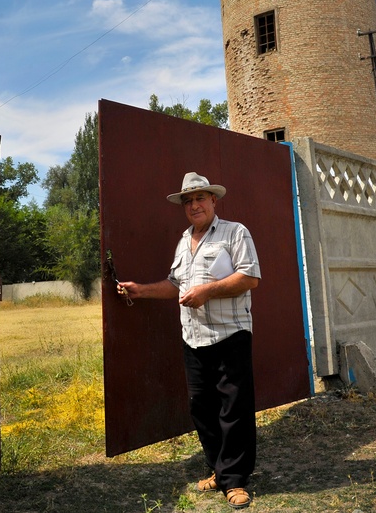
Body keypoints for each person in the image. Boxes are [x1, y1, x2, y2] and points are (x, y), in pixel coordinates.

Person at [118, 172, 261, 510]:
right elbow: (174, 284)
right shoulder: (184, 241)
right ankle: (219, 469)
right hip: (194, 339)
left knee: (234, 409)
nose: (194, 205)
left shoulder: (234, 232)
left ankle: (235, 480)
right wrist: (142, 291)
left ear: (214, 201)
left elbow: (250, 277)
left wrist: (207, 291)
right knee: (202, 409)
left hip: (230, 334)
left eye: (200, 198)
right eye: (188, 200)